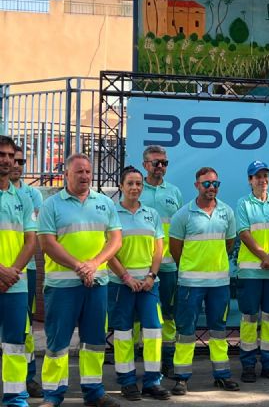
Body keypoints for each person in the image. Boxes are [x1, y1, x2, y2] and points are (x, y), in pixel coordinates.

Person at [38, 153, 122, 407]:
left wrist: (94, 265)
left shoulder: (104, 203)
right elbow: (47, 244)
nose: (85, 176)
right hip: (62, 287)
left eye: (88, 171)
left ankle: (94, 392)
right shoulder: (51, 205)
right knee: (58, 343)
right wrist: (79, 266)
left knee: (94, 341)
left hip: (96, 285)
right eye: (79, 172)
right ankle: (53, 395)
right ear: (66, 174)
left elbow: (115, 240)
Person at [169, 167, 239, 395]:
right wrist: (192, 267)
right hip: (190, 284)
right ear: (196, 185)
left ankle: (222, 375)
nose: (211, 188)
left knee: (219, 330)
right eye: (206, 183)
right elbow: (176, 249)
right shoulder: (183, 215)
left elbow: (229, 244)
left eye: (215, 184)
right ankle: (181, 378)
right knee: (186, 331)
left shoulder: (227, 212)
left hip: (219, 284)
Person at [108, 166, 168, 401]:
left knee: (153, 332)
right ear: (121, 186)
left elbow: (158, 249)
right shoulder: (111, 213)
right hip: (120, 284)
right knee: (123, 334)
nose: (135, 188)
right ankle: (127, 382)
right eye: (130, 183)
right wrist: (126, 278)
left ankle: (152, 381)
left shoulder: (152, 214)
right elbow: (108, 252)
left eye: (138, 184)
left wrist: (151, 276)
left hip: (149, 285)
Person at [235, 161, 269, 383]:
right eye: (257, 176)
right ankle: (248, 364)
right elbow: (244, 234)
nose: (262, 180)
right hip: (251, 273)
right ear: (250, 180)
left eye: (265, 175)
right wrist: (265, 258)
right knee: (249, 318)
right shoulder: (243, 203)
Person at [138, 145, 183, 378]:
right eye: (156, 163)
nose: (160, 167)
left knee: (168, 314)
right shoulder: (136, 189)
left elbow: (180, 230)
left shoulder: (174, 192)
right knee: (137, 317)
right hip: (140, 266)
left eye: (164, 163)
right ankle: (135, 361)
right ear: (145, 165)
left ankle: (167, 360)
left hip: (168, 266)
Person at [0, 136, 37, 407]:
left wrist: (11, 273)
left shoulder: (23, 198)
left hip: (15, 283)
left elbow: (31, 241)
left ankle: (15, 397)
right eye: (1, 154)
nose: (6, 160)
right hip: (7, 277)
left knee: (15, 343)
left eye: (10, 156)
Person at [10, 144, 44, 398]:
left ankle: (28, 377)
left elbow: (32, 237)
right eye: (13, 159)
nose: (16, 165)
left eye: (21, 162)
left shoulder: (32, 195)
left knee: (24, 327)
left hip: (24, 272)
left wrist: (14, 269)